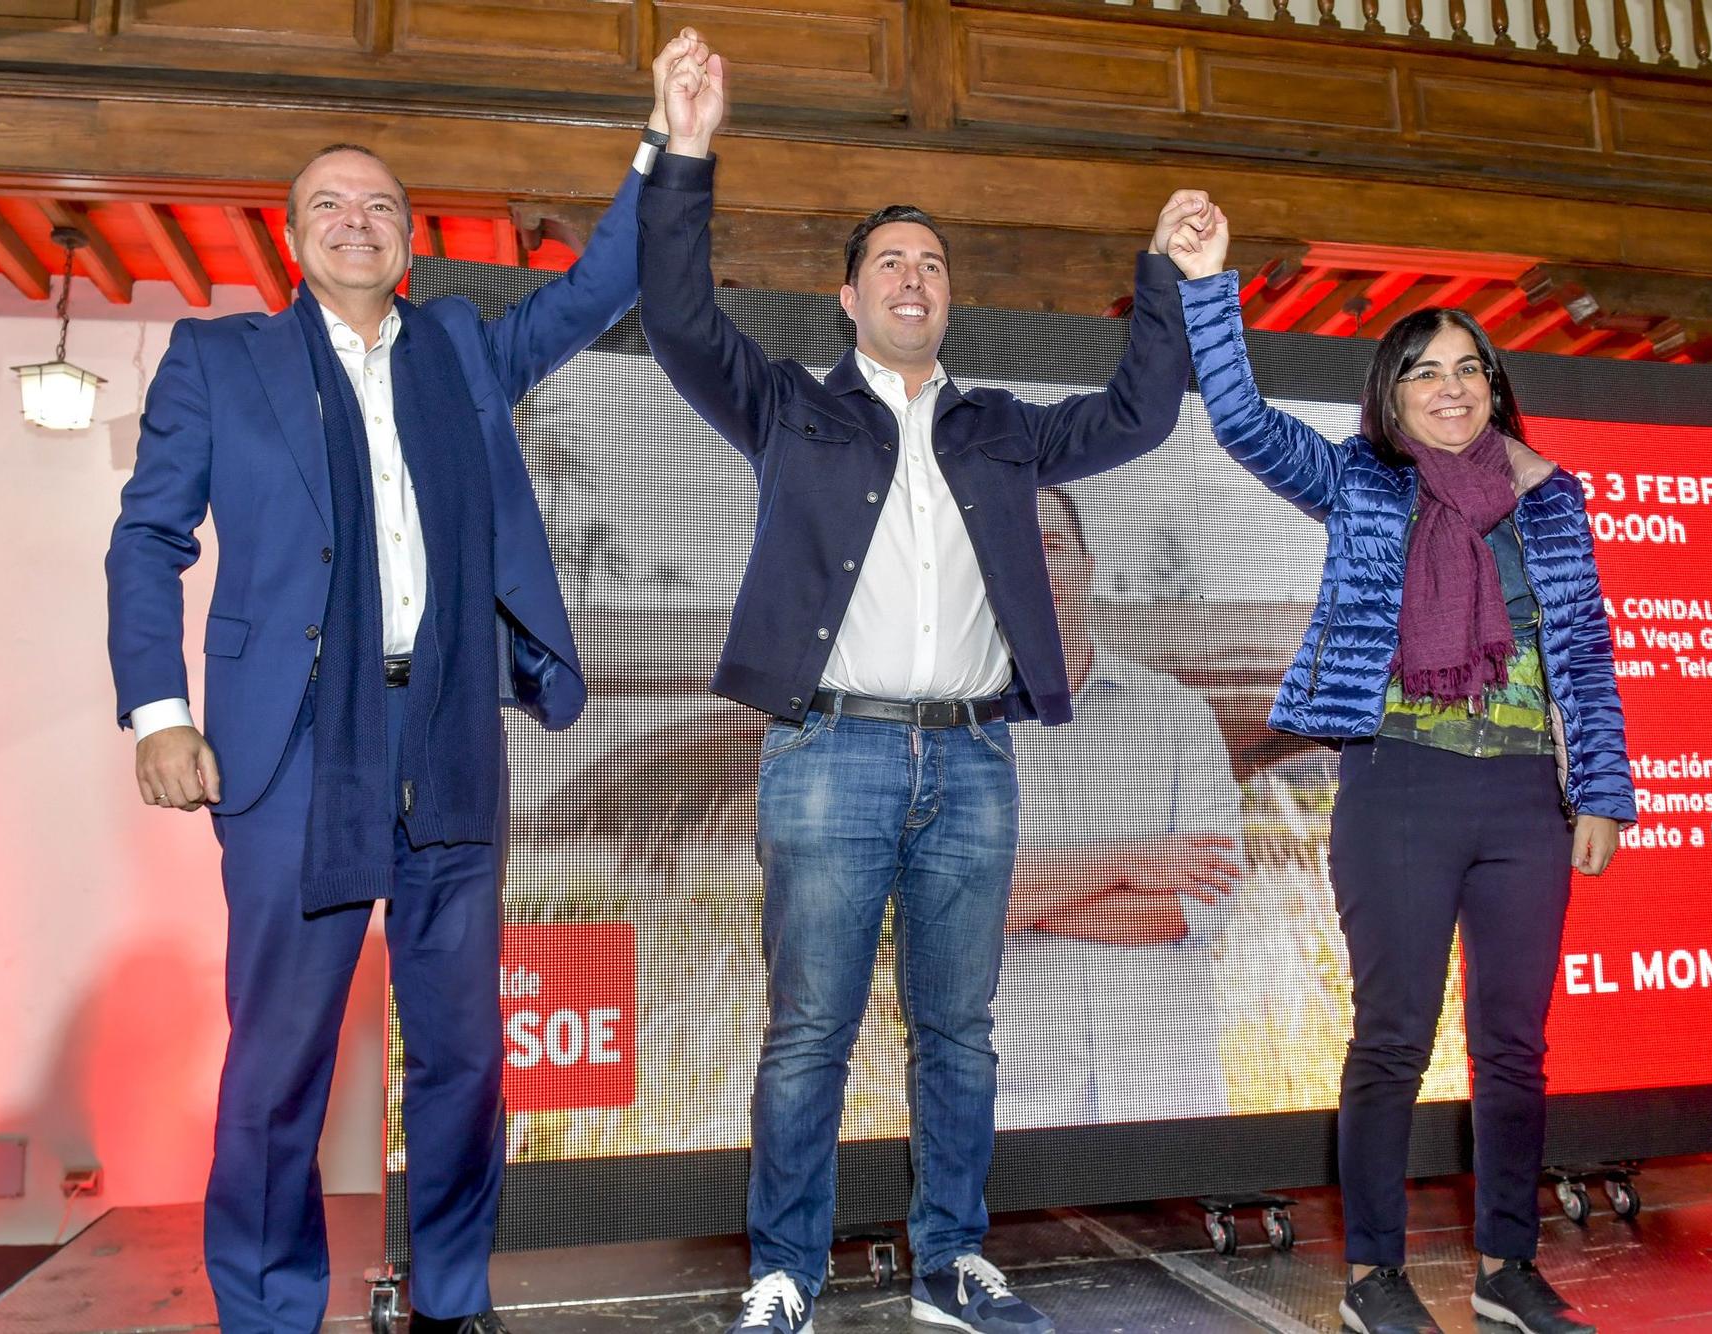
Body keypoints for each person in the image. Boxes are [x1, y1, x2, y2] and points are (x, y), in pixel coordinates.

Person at [104, 39, 694, 1333]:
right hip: (291, 745)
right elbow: (148, 539)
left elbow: (598, 286)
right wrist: (158, 712)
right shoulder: (220, 361)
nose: (355, 220)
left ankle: (453, 1292)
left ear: (408, 237)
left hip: (444, 726)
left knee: (466, 1053)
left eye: (379, 204)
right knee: (279, 1062)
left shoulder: (464, 349)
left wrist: (664, 147)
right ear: (293, 238)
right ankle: (266, 1306)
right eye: (330, 204)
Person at [639, 39, 1210, 1334]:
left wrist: (1166, 282)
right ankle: (784, 1271)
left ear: (949, 301)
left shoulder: (1002, 425)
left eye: (933, 264)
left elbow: (1140, 414)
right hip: (827, 756)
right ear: (847, 298)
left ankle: (952, 1263)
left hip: (971, 763)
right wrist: (685, 151)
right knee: (809, 1036)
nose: (914, 277)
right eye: (890, 261)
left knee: (958, 1034)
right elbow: (677, 320)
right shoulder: (790, 408)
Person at [1166, 204, 1634, 1334]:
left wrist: (1601, 791)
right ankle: (1374, 1273)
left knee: (1513, 1045)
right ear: (1391, 393)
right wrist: (1204, 285)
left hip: (1526, 795)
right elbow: (1235, 417)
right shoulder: (1361, 483)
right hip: (1400, 785)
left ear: (1492, 384)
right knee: (1391, 1034)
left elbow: (1581, 647)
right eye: (1425, 371)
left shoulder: (1548, 497)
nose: (1452, 385)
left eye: (1468, 367)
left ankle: (1503, 1265)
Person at [995, 486, 1246, 1127]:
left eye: (1051, 545)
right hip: (1012, 1094)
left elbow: (1190, 911)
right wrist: (1133, 861)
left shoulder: (1178, 716)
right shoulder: (950, 728)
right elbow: (941, 904)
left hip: (1164, 1086)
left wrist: (1016, 895)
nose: (1036, 565)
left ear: (1088, 561)